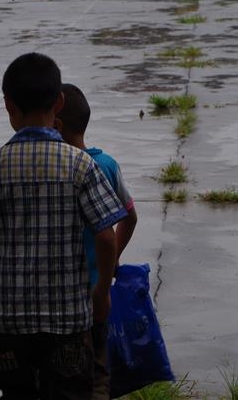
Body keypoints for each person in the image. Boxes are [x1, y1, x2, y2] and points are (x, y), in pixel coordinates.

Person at [0, 52, 129, 400]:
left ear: (8, 106)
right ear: (59, 102)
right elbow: (107, 238)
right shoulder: (81, 165)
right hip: (67, 322)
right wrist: (101, 292)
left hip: (9, 326)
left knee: (17, 394)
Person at [54, 83, 138, 400]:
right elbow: (129, 218)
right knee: (97, 373)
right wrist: (111, 261)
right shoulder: (107, 165)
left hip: (60, 300)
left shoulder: (59, 168)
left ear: (56, 125)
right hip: (96, 293)